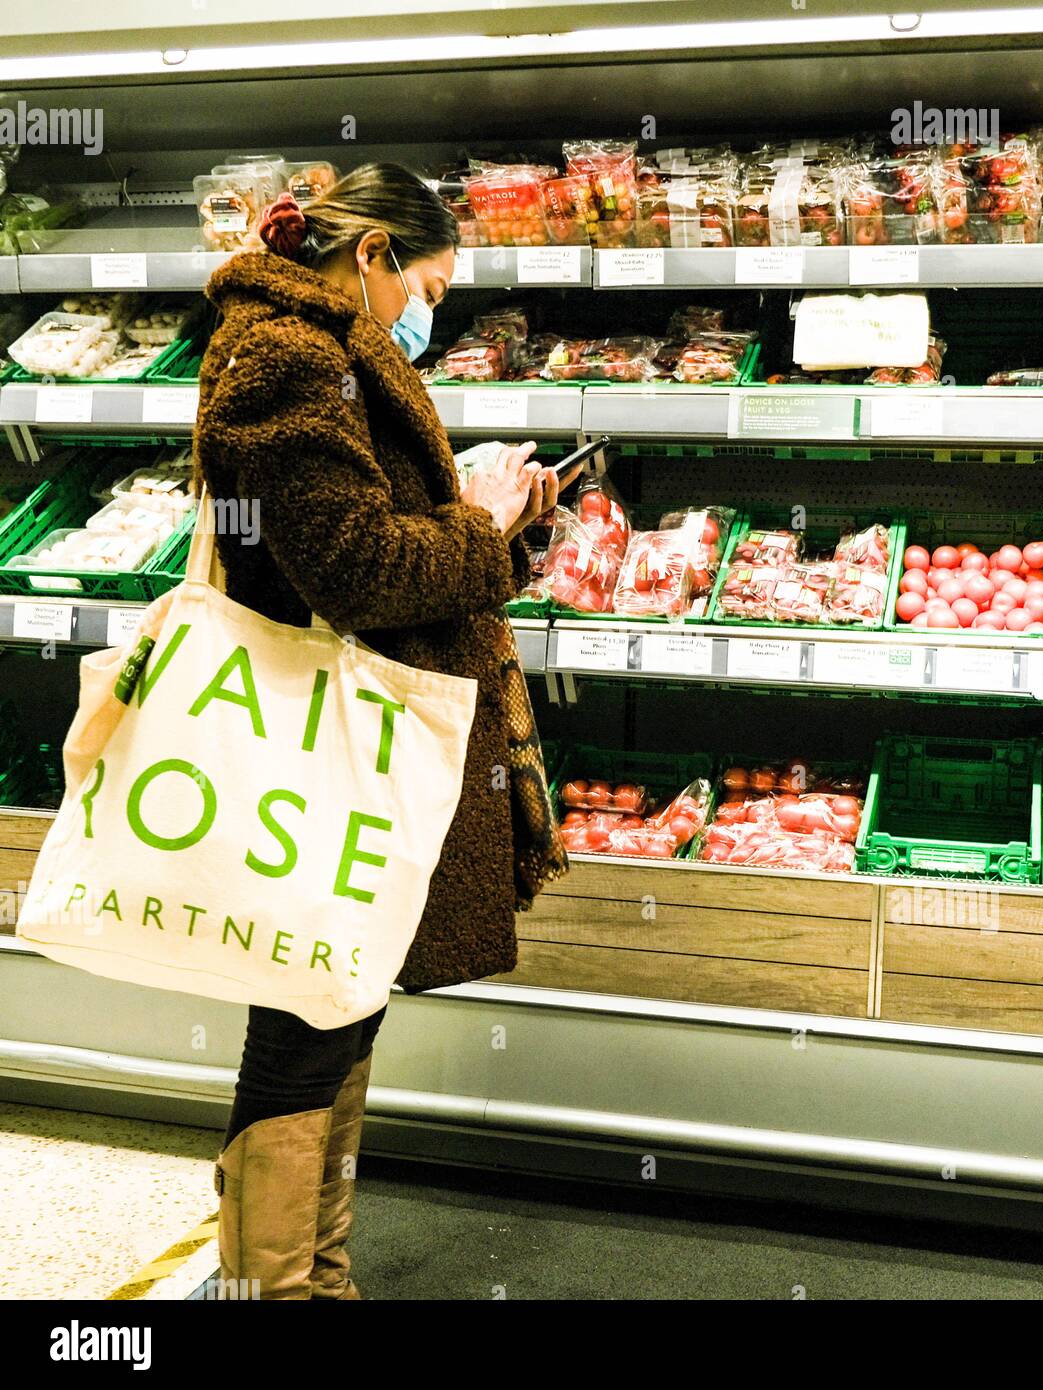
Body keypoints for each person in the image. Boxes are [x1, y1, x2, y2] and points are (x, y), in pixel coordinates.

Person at [192, 162, 569, 1299]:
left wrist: (492, 517)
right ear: (370, 259)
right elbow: (353, 566)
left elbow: (375, 531)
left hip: (356, 729)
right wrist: (480, 525)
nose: (430, 309)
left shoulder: (337, 350)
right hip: (315, 737)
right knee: (309, 1012)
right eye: (431, 286)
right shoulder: (281, 360)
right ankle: (276, 1286)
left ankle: (313, 1273)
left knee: (340, 1004)